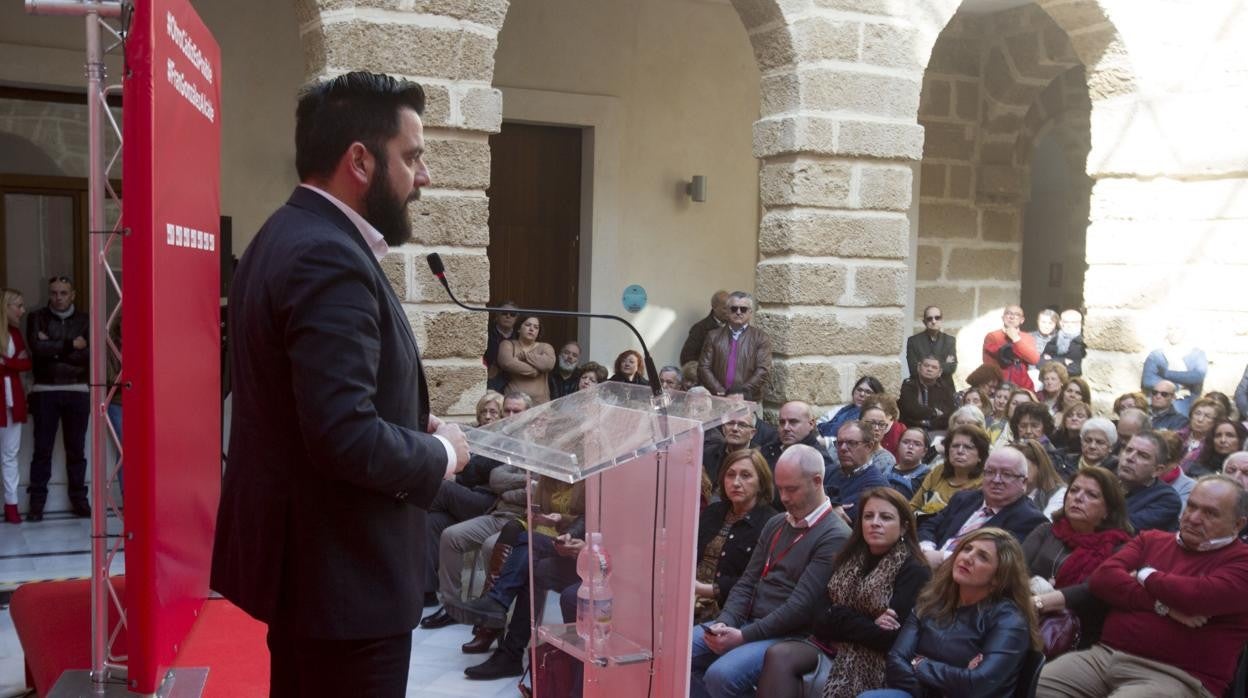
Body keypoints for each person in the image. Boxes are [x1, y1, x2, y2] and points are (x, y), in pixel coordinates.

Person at [209, 72, 471, 697]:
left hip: (315, 579)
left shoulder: (283, 234)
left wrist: (406, 421)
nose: (423, 176)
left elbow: (310, 404)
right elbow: (342, 434)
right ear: (359, 159)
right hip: (345, 585)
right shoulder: (327, 255)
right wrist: (441, 453)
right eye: (412, 157)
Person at [1038, 475, 1248, 698]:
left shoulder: (1241, 561)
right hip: (1104, 657)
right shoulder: (1151, 540)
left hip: (1179, 677)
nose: (1194, 518)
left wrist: (1145, 574)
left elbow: (1195, 597)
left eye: (1210, 513)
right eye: (1192, 507)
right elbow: (1102, 579)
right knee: (1037, 685)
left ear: (1238, 524)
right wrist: (1162, 605)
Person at [690, 445, 851, 698]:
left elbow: (800, 607)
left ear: (817, 481)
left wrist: (742, 636)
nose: (784, 497)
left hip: (791, 635)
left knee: (720, 676)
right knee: (676, 653)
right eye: (781, 488)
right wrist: (727, 621)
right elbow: (747, 581)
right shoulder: (777, 523)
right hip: (747, 622)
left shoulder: (836, 536)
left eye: (792, 489)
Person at [756, 488, 931, 698]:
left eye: (886, 517)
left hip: (876, 659)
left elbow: (888, 637)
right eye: (868, 516)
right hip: (829, 645)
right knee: (779, 655)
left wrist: (838, 615)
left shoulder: (915, 570)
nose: (875, 523)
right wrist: (862, 619)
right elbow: (818, 617)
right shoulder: (848, 557)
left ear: (903, 527)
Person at [863, 527, 1040, 698]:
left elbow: (976, 684)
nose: (968, 557)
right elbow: (895, 663)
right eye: (967, 549)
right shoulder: (931, 601)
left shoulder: (1010, 621)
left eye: (983, 557)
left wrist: (919, 663)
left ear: (998, 578)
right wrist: (942, 687)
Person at [418, 391, 529, 643]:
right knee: (433, 523)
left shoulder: (520, 441)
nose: (502, 416)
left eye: (515, 411)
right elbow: (494, 477)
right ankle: (445, 602)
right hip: (480, 503)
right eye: (505, 411)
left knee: (439, 488)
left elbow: (493, 477)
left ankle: (404, 513)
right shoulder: (480, 434)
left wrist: (463, 472)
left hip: (493, 506)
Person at [1024, 467, 1133, 652]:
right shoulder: (1046, 530)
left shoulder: (1119, 548)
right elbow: (1014, 569)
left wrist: (1039, 603)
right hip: (1023, 613)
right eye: (1074, 490)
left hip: (1073, 635)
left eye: (1091, 495)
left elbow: (1093, 589)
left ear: (1108, 510)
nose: (1078, 497)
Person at [23, 275, 91, 521]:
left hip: (78, 390)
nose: (58, 297)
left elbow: (88, 357)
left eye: (63, 293)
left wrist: (54, 347)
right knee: (42, 450)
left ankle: (80, 501)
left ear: (72, 295)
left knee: (77, 450)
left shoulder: (85, 320)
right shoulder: (36, 317)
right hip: (44, 391)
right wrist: (72, 345)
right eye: (54, 292)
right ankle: (36, 505)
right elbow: (37, 351)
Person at [918, 447, 1048, 567]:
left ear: (1023, 482)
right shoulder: (964, 498)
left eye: (1007, 474)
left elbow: (998, 562)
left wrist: (943, 558)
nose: (996, 480)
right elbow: (929, 524)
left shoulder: (1030, 520)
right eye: (990, 472)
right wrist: (927, 548)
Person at [694, 449, 778, 623]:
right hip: (688, 594)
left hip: (728, 608)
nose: (736, 483)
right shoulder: (713, 512)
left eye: (746, 475)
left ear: (761, 483)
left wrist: (705, 589)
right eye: (730, 475)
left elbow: (761, 582)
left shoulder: (771, 523)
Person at [698, 291, 772, 401]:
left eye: (743, 309)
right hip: (718, 399)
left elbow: (763, 370)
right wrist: (720, 391)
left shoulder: (761, 337)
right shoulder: (713, 336)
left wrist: (741, 394)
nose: (738, 312)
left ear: (750, 312)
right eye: (734, 308)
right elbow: (704, 367)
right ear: (727, 311)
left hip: (749, 399)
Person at [0, 289, 31, 524]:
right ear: (6, 307)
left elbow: (26, 363)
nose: (22, 310)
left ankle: (12, 506)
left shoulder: (15, 334)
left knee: (10, 455)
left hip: (12, 401)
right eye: (17, 306)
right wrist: (14, 363)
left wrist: (6, 362)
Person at [910, 424, 988, 517]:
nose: (960, 451)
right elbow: (914, 505)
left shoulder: (984, 483)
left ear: (980, 455)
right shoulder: (939, 470)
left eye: (968, 447)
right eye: (955, 446)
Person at [762, 401, 834, 493]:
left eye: (793, 422)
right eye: (782, 422)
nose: (786, 428)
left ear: (811, 424)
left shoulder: (819, 458)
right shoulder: (769, 449)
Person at [1116, 432, 1181, 533]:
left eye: (1143, 455)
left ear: (1157, 470)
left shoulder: (1166, 499)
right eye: (1128, 450)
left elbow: (1124, 528)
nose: (1130, 458)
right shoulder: (1108, 475)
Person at [828, 421, 889, 524]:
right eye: (839, 443)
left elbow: (847, 516)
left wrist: (823, 503)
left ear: (869, 447)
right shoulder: (829, 471)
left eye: (852, 443)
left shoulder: (876, 485)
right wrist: (832, 505)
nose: (842, 448)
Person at [1141, 328, 1208, 417]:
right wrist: (1176, 387)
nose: (1173, 333)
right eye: (1170, 329)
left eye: (1177, 329)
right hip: (1159, 402)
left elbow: (1197, 376)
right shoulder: (1157, 355)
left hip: (1186, 402)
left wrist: (1166, 374)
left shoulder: (1197, 354)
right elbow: (1148, 380)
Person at [496, 315, 555, 403]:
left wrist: (525, 356)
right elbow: (507, 363)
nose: (531, 329)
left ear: (538, 332)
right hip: (513, 404)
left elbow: (548, 364)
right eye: (528, 325)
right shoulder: (507, 344)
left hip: (540, 405)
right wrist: (534, 371)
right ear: (519, 328)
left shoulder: (545, 347)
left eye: (536, 327)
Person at [983, 305, 1040, 392]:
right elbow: (989, 363)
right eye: (1008, 313)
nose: (1012, 317)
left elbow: (1034, 359)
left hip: (1022, 386)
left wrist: (1016, 339)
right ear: (1003, 317)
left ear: (1022, 320)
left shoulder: (1028, 337)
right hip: (1000, 386)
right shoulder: (993, 336)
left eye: (1017, 315)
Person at [1014, 439, 1067, 519]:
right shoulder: (1008, 491)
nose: (1015, 472)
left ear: (1039, 466)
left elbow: (1046, 522)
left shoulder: (1060, 493)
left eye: (1021, 466)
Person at [899, 355, 955, 431]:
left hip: (937, 431)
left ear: (940, 372)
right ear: (919, 367)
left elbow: (950, 414)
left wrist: (931, 423)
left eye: (934, 367)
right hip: (911, 430)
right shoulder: (908, 385)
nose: (929, 369)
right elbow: (912, 409)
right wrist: (934, 412)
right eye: (926, 366)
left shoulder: (945, 389)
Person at [817, 375, 883, 439]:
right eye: (859, 390)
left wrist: (826, 442)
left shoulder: (873, 418)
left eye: (868, 392)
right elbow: (819, 425)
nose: (862, 394)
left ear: (877, 396)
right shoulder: (843, 409)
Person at [906, 305, 957, 387]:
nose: (934, 321)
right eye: (929, 319)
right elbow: (913, 369)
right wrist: (941, 365)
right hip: (919, 388)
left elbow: (951, 367)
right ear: (924, 322)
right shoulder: (913, 341)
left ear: (941, 320)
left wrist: (925, 366)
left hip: (944, 387)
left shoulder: (949, 340)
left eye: (937, 318)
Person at [681, 290, 730, 365]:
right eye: (725, 308)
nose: (729, 311)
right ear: (714, 307)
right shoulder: (700, 329)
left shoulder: (736, 326)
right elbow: (686, 359)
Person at [883, 427, 933, 499]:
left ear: (924, 451)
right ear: (898, 446)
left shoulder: (928, 476)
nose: (910, 446)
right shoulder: (885, 469)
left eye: (917, 444)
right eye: (906, 442)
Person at [1175, 396, 1224, 465]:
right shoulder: (1177, 436)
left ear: (1216, 422)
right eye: (1197, 413)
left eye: (1207, 416)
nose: (1200, 419)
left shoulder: (1213, 446)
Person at [1040, 309, 1086, 377]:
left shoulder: (1083, 343)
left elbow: (1077, 369)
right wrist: (1063, 361)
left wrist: (1051, 361)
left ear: (1081, 324)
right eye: (1066, 322)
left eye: (1074, 322)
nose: (1069, 325)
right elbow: (1040, 363)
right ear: (1061, 323)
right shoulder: (1054, 340)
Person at [483, 302, 517, 392]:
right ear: (497, 315)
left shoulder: (520, 336)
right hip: (491, 378)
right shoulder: (485, 334)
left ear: (516, 318)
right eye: (504, 313)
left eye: (512, 314)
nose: (508, 316)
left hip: (514, 379)